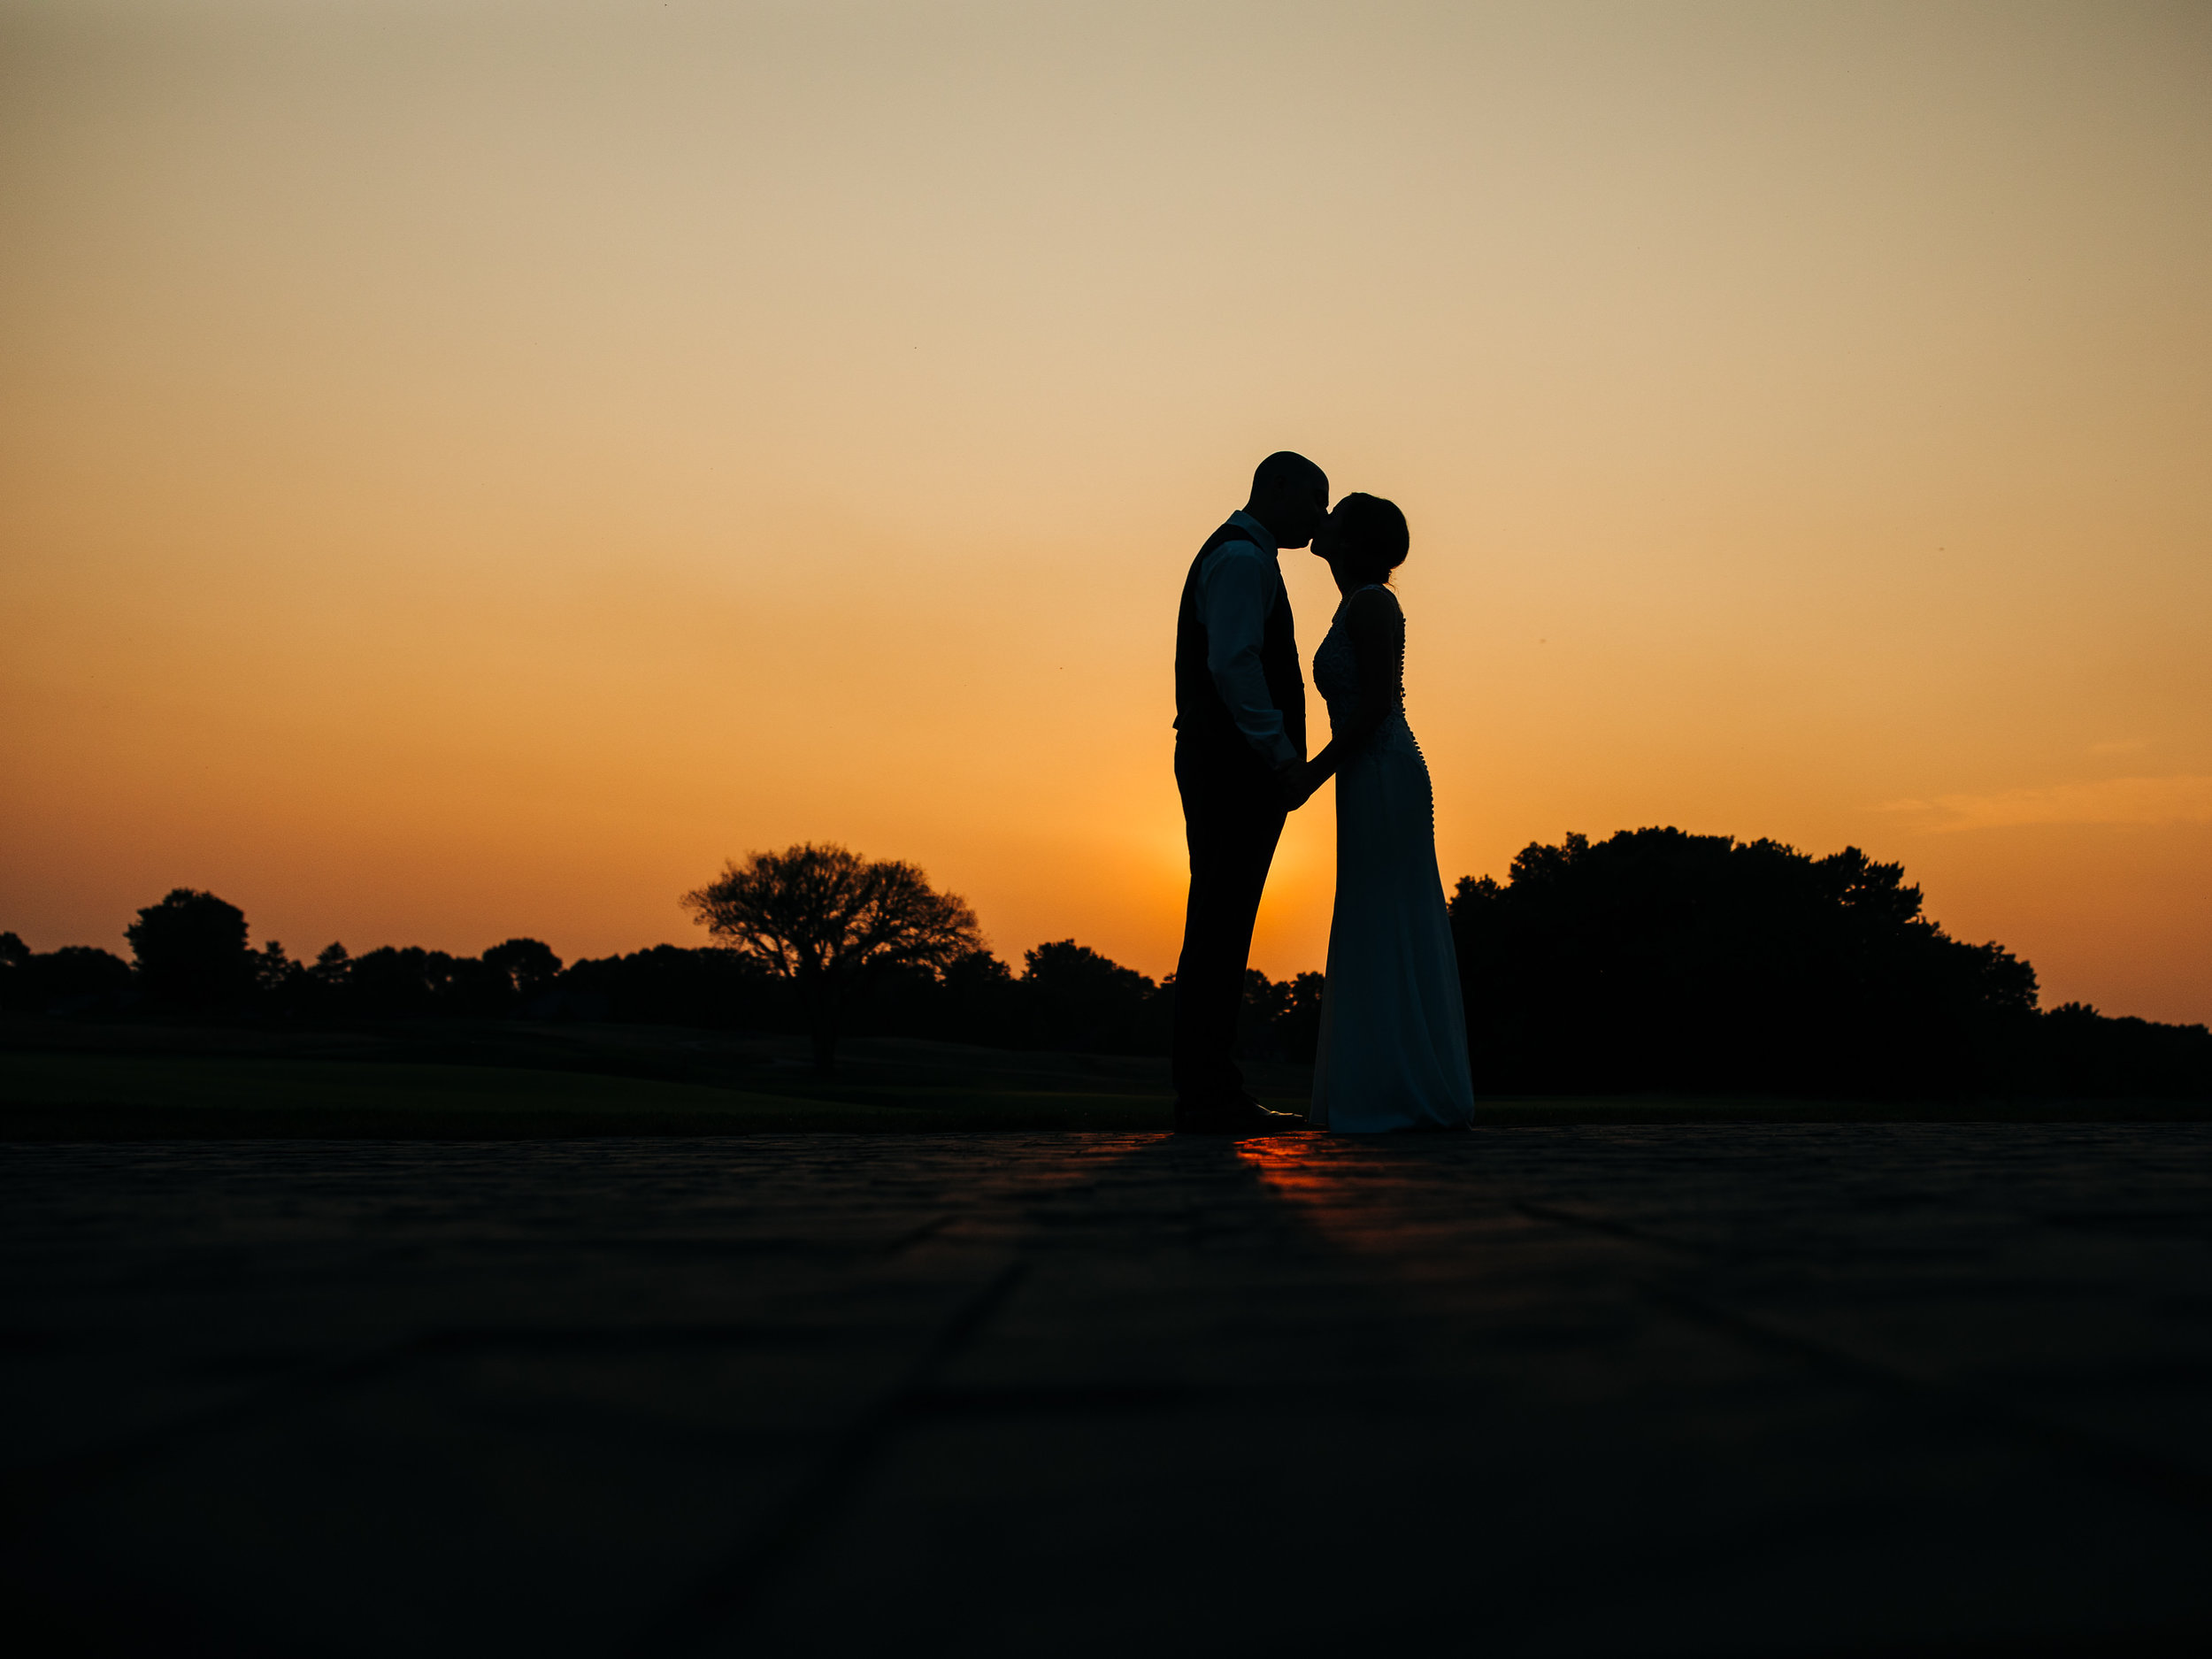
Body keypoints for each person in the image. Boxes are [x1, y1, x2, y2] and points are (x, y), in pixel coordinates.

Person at [1286, 493, 1475, 1132]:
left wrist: (1309, 775)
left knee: (1388, 910)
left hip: (1383, 770)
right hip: (1366, 773)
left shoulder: (1371, 603)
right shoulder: (1356, 602)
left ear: (1354, 539)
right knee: (1372, 911)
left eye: (1335, 515)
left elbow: (1372, 709)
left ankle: (1399, 1086)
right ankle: (1378, 1079)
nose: (1323, 520)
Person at [1170, 451, 1330, 1133]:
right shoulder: (1242, 559)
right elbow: (1233, 661)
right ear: (1278, 487)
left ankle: (1209, 1084)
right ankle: (1208, 1091)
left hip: (1225, 760)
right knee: (1221, 920)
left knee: (1221, 917)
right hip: (1232, 764)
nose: (1320, 518)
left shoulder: (1245, 555)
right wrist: (1279, 752)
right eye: (1314, 501)